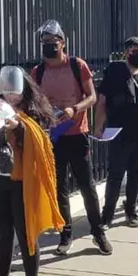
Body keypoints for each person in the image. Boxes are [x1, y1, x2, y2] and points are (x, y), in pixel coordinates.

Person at [0, 66, 63, 276]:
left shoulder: (34, 112)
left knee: (26, 232)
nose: (11, 98)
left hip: (23, 180)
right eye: (6, 93)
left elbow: (39, 141)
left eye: (15, 93)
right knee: (3, 231)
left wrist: (18, 127)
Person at [31, 20, 111, 256]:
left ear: (62, 43)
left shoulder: (77, 65)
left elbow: (92, 97)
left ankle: (98, 232)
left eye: (52, 42)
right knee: (58, 188)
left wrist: (74, 109)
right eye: (44, 43)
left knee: (87, 186)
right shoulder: (38, 71)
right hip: (53, 136)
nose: (49, 46)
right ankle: (65, 234)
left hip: (77, 134)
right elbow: (35, 100)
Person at [94, 36, 138, 229]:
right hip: (119, 134)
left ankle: (131, 211)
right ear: (127, 52)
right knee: (115, 175)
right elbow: (102, 102)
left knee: (136, 174)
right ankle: (107, 213)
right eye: (136, 52)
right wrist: (98, 126)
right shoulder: (114, 73)